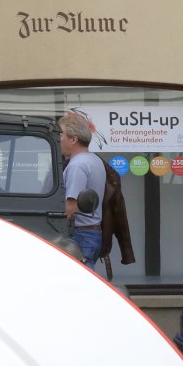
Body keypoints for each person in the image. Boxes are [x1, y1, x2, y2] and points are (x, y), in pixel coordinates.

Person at [59, 113, 106, 268]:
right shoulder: (94, 160)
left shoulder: (77, 166)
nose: (58, 139)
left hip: (80, 235)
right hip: (91, 232)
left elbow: (71, 207)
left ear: (73, 139)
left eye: (61, 134)